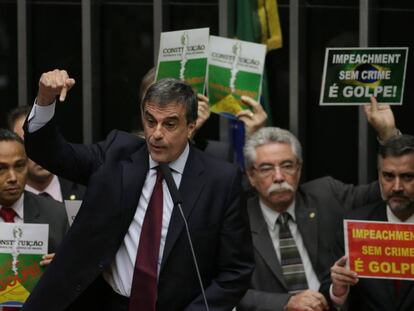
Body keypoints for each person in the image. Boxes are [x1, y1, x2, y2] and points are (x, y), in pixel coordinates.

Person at [22, 69, 253, 311]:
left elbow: (236, 271)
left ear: (191, 127)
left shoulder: (221, 180)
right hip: (106, 303)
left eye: (170, 124)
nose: (156, 134)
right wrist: (45, 100)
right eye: (150, 121)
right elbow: (49, 154)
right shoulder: (116, 154)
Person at [236, 97, 399, 311]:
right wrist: (284, 303)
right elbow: (225, 289)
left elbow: (393, 189)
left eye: (287, 165)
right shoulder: (238, 219)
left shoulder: (326, 195)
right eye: (266, 168)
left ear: (299, 169)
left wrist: (389, 135)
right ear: (251, 175)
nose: (278, 177)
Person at [326, 134, 414, 311]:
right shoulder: (353, 227)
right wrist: (339, 290)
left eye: (407, 177)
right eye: (388, 176)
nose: (397, 187)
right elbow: (335, 300)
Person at [0, 129, 69, 263]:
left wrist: (63, 267)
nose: (13, 178)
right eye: (1, 168)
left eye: (19, 166)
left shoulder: (58, 216)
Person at [7, 106, 85, 202]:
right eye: (29, 143)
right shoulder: (8, 202)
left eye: (45, 140)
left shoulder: (85, 190)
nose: (40, 151)